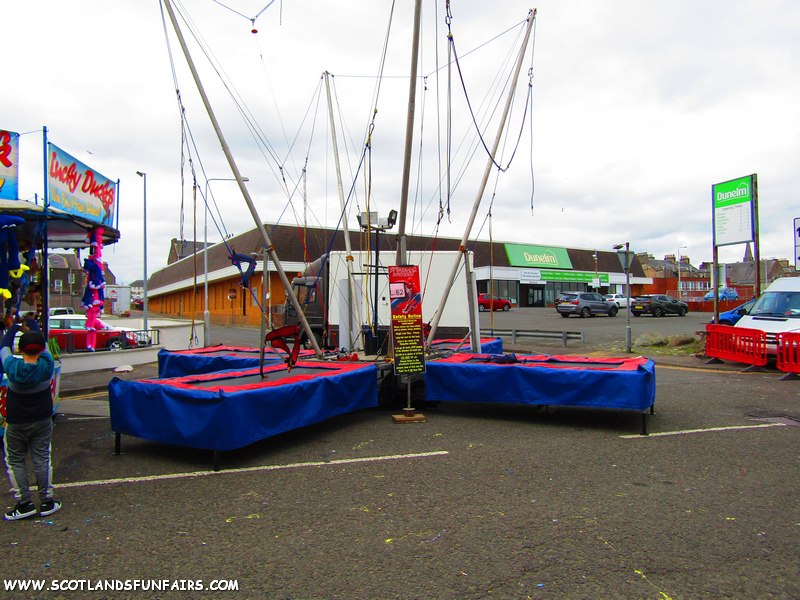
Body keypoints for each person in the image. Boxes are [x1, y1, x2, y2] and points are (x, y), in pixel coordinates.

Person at [2, 323, 59, 520]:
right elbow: (44, 347)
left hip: (16, 421)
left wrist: (13, 329)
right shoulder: (47, 365)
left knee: (15, 461)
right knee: (42, 458)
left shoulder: (12, 366)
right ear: (41, 349)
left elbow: (4, 347)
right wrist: (32, 326)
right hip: (42, 419)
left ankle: (24, 503)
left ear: (19, 349)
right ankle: (47, 501)